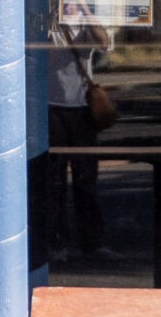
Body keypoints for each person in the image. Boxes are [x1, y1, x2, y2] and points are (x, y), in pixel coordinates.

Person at [41, 20, 111, 261]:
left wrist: (87, 9)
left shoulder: (85, 27)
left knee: (86, 179)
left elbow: (103, 41)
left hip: (82, 107)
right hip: (53, 107)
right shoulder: (49, 25)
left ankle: (92, 241)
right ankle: (57, 241)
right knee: (54, 180)